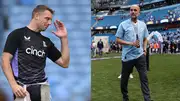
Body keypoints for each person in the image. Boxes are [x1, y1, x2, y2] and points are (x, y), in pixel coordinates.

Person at [1, 5, 70, 101]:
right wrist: (13, 85)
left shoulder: (47, 42)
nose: (49, 23)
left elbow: (64, 63)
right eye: (47, 19)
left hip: (43, 89)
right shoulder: (17, 34)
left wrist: (64, 38)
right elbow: (5, 60)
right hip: (22, 90)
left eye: (50, 20)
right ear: (37, 15)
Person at [115, 5, 152, 101]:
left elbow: (145, 38)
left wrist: (144, 49)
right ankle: (125, 98)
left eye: (135, 10)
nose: (133, 12)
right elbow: (118, 40)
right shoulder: (123, 24)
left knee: (144, 79)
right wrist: (131, 43)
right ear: (129, 12)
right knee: (124, 80)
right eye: (131, 10)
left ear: (139, 12)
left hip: (140, 56)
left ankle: (147, 99)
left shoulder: (143, 24)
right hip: (127, 57)